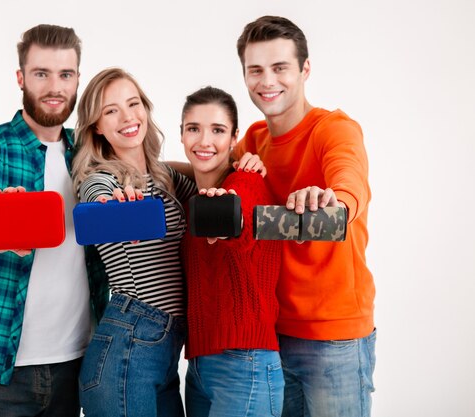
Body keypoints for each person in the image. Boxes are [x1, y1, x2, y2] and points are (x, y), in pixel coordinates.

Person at [0, 24, 108, 417]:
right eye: (41, 73)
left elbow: (147, 167)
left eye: (65, 74)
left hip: (77, 365)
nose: (54, 86)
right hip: (1, 370)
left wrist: (224, 162)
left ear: (78, 79)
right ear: (21, 78)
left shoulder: (89, 154)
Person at [233, 15, 376, 417]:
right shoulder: (254, 139)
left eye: (280, 68)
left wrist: (332, 200)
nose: (267, 81)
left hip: (334, 338)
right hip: (272, 335)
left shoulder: (335, 129)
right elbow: (207, 168)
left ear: (305, 69)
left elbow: (350, 185)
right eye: (255, 70)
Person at [71, 67, 196, 417]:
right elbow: (95, 207)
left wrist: (241, 157)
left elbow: (207, 180)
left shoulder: (165, 177)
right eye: (110, 110)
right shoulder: (101, 177)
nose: (127, 117)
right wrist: (114, 211)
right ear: (96, 125)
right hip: (129, 341)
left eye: (133, 103)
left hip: (164, 348)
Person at [179, 86, 284, 417]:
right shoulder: (187, 194)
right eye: (193, 128)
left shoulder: (246, 181)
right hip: (198, 367)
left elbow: (240, 218)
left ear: (235, 137)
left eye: (218, 130)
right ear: (181, 134)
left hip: (246, 364)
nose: (204, 141)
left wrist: (227, 220)